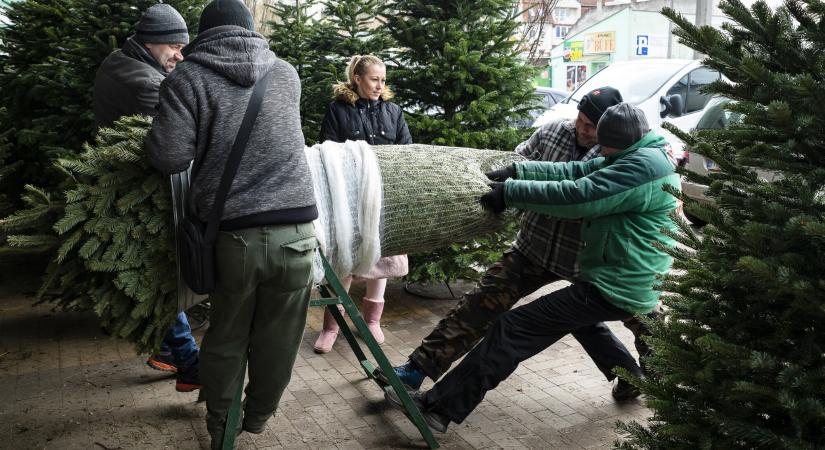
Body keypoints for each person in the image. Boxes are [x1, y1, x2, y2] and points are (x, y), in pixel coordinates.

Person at [386, 103, 680, 433]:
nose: (601, 148)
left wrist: (512, 193)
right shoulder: (641, 154)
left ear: (621, 140)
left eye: (605, 141)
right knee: (536, 326)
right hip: (618, 276)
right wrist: (518, 173)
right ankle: (438, 404)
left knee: (512, 329)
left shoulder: (641, 166)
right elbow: (577, 172)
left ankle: (439, 408)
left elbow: (580, 195)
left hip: (617, 282)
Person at [144, 0, 319, 446]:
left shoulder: (188, 76)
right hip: (298, 232)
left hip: (235, 237)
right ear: (250, 30)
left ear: (204, 35)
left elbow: (168, 156)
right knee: (279, 339)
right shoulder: (287, 73)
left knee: (226, 339)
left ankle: (223, 429)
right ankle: (259, 417)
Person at [91, 3, 200, 392]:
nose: (180, 54)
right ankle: (189, 362)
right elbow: (170, 146)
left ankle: (169, 353)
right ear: (152, 42)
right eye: (174, 45)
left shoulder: (118, 60)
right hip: (139, 192)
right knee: (163, 274)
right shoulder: (146, 83)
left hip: (118, 181)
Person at [313, 54, 412, 353]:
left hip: (383, 196)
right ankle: (332, 327)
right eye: (374, 79)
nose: (380, 85)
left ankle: (371, 323)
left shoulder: (393, 112)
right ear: (357, 78)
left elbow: (406, 150)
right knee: (344, 257)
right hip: (348, 197)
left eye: (383, 80)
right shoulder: (337, 110)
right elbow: (326, 152)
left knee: (381, 258)